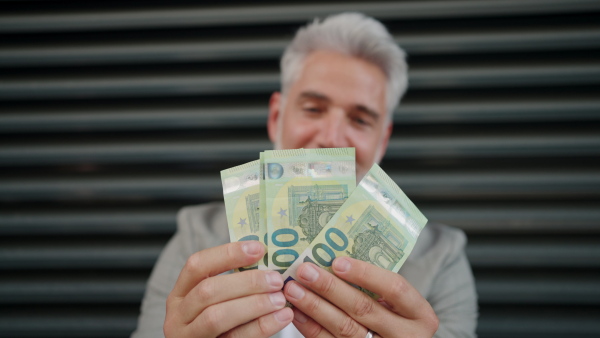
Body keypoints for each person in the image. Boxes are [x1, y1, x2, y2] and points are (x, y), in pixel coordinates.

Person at [132, 12, 478, 338]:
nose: (331, 137)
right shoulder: (195, 238)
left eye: (360, 120)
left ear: (382, 141)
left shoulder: (442, 257)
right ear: (275, 118)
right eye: (313, 109)